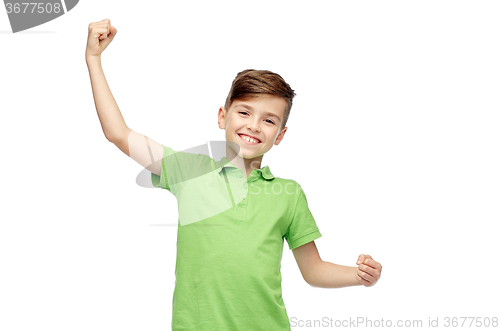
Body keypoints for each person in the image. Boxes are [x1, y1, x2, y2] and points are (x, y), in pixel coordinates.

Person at [86, 18, 382, 331]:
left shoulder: (289, 194)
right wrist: (94, 59)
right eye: (244, 112)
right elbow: (118, 133)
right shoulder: (190, 171)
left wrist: (359, 275)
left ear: (279, 135)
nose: (254, 125)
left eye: (268, 121)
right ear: (222, 117)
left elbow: (313, 270)